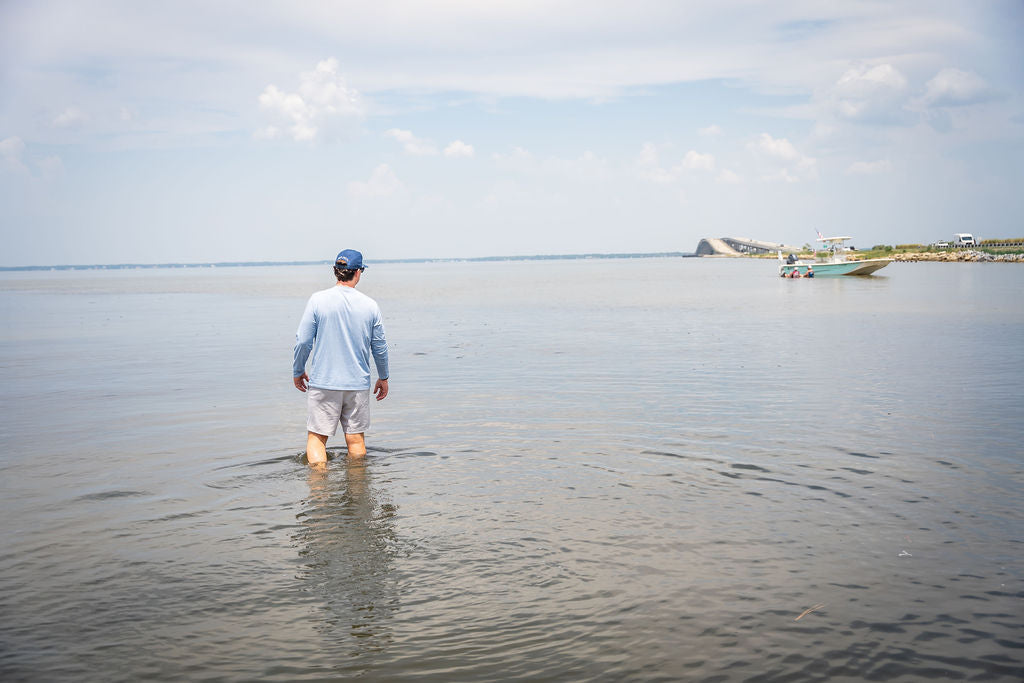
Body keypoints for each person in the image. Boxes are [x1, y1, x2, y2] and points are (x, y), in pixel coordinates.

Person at [293, 249, 390, 466]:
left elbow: (303, 341)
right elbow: (380, 347)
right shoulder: (370, 305)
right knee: (355, 440)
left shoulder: (317, 300)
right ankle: (357, 492)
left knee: (317, 438)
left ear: (336, 272)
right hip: (357, 384)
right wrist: (384, 377)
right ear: (358, 272)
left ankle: (320, 493)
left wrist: (298, 370)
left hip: (324, 383)